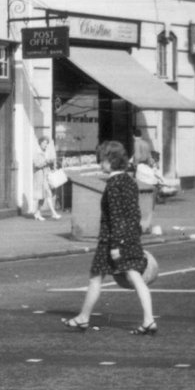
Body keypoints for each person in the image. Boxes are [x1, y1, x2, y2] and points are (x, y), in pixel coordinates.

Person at [61, 140, 156, 335]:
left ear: (110, 161)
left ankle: (83, 318)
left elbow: (115, 216)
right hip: (130, 237)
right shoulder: (130, 180)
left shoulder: (113, 184)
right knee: (136, 277)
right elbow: (133, 213)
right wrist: (131, 237)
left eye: (102, 160)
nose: (99, 164)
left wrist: (115, 246)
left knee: (96, 278)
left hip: (111, 240)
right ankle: (149, 320)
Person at [32, 135, 61, 221]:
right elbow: (36, 164)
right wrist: (46, 162)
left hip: (45, 176)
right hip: (40, 177)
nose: (46, 145)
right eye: (44, 143)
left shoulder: (45, 152)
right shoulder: (36, 153)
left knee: (44, 196)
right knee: (47, 195)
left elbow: (46, 163)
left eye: (47, 143)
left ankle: (37, 213)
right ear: (40, 143)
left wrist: (50, 164)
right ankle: (54, 213)